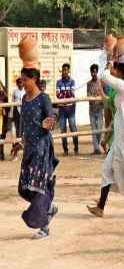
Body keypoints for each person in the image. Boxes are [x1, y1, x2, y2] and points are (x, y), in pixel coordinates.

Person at [87, 55, 124, 217]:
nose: (115, 71)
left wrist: (109, 63)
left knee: (121, 170)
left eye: (117, 70)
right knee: (113, 171)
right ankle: (106, 206)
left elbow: (104, 76)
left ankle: (105, 206)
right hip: (121, 135)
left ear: (122, 73)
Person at [17, 67, 59, 239]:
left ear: (34, 79)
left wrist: (49, 123)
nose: (23, 83)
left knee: (38, 188)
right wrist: (21, 142)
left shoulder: (44, 98)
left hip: (42, 148)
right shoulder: (24, 100)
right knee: (24, 188)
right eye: (22, 80)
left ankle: (44, 227)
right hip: (29, 149)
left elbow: (51, 119)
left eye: (25, 80)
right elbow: (25, 125)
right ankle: (49, 207)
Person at [56, 62, 78, 155]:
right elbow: (58, 95)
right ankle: (65, 149)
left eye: (66, 70)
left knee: (73, 128)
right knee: (63, 130)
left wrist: (65, 94)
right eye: (63, 70)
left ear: (68, 71)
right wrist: (67, 93)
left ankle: (76, 147)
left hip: (71, 108)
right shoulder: (58, 82)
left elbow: (72, 94)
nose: (64, 72)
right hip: (62, 110)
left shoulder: (72, 81)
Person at [85, 64, 106, 155]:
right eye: (92, 71)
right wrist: (92, 97)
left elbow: (104, 94)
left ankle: (97, 146)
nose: (94, 73)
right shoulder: (89, 84)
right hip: (92, 109)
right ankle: (96, 148)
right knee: (94, 130)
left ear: (97, 72)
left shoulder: (101, 82)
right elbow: (88, 95)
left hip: (100, 108)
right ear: (90, 73)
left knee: (99, 129)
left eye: (95, 71)